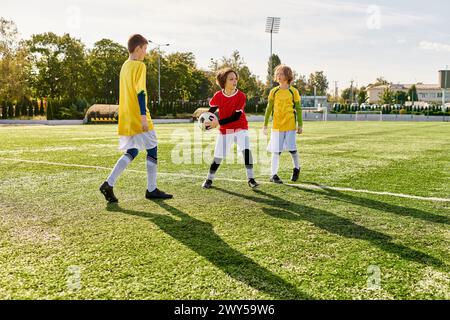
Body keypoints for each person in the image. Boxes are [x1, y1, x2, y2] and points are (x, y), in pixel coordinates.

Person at [100, 34, 173, 202]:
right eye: (145, 49)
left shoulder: (125, 66)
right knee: (153, 147)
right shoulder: (140, 66)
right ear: (138, 48)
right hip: (138, 114)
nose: (145, 53)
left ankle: (108, 184)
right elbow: (141, 92)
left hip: (126, 116)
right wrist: (143, 116)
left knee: (132, 151)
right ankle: (151, 189)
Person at [202, 68, 259, 189]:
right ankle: (209, 179)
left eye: (235, 79)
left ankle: (251, 179)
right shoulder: (218, 95)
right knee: (218, 156)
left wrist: (217, 122)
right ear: (224, 81)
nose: (234, 81)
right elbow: (211, 110)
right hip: (225, 130)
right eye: (231, 79)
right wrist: (206, 119)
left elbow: (236, 116)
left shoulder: (241, 96)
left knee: (246, 151)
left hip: (240, 127)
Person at [263, 64, 303, 184]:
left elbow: (299, 109)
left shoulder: (293, 91)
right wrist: (265, 125)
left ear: (287, 76)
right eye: (277, 74)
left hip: (290, 126)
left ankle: (297, 168)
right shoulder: (273, 92)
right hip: (277, 126)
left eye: (281, 73)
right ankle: (273, 174)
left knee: (292, 149)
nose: (278, 76)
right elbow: (268, 109)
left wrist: (300, 125)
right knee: (276, 151)